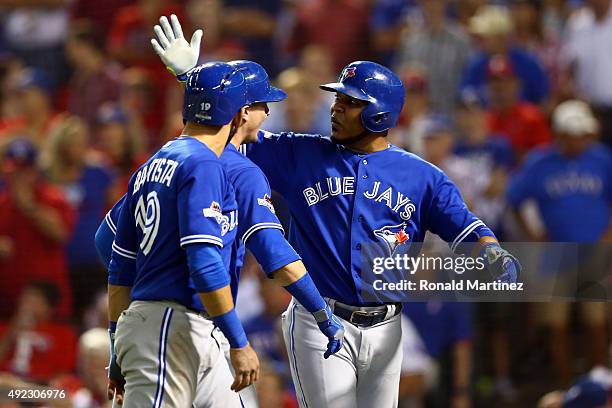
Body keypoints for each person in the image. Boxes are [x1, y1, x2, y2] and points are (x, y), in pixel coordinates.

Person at [156, 17, 521, 407]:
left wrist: (491, 252)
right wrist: (193, 79)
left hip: (387, 325)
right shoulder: (301, 153)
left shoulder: (422, 177)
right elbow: (223, 134)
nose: (336, 108)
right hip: (320, 319)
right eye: (337, 99)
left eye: (349, 102)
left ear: (379, 114)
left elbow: (469, 230)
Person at [102, 16, 344, 406]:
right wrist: (317, 314)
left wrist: (123, 332)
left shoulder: (157, 160)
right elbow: (218, 262)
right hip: (174, 323)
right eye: (262, 105)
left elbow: (111, 248)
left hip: (178, 324)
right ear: (241, 112)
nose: (268, 112)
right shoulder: (217, 168)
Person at [106, 60, 256, 407]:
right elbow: (203, 262)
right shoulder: (203, 164)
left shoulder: (151, 164)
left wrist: (118, 344)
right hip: (167, 326)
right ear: (237, 115)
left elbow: (119, 266)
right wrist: (239, 341)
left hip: (173, 329)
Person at [507, 100, 611, 387]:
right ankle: (566, 387)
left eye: (583, 135)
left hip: (595, 251)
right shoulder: (539, 162)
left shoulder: (601, 159)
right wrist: (533, 235)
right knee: (555, 325)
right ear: (560, 134)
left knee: (597, 323)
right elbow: (514, 200)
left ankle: (601, 388)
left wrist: (608, 237)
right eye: (574, 135)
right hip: (555, 254)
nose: (579, 141)